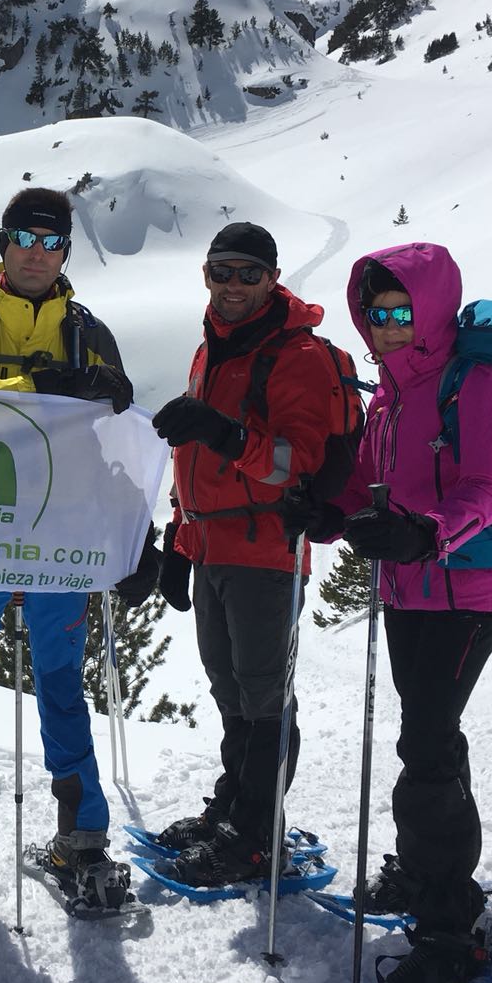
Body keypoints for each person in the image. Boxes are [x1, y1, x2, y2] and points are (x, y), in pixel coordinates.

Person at [0, 187, 151, 912]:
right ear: (3, 244)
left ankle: (84, 839)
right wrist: (45, 385)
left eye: (50, 241)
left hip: (65, 531)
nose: (37, 252)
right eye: (23, 237)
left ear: (66, 251)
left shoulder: (90, 330)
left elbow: (117, 422)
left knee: (62, 685)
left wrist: (138, 532)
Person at [296, 242, 492, 983]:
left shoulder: (476, 382)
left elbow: (490, 486)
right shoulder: (388, 398)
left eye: (400, 313)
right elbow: (364, 482)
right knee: (431, 735)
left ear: (429, 310)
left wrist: (430, 532)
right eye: (375, 315)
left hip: (469, 588)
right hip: (408, 590)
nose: (386, 328)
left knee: (423, 744)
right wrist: (325, 513)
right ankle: (433, 874)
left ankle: (448, 923)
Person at [147, 221, 350, 886]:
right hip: (211, 547)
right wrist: (180, 542)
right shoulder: (213, 348)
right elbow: (191, 460)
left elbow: (300, 461)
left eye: (248, 274)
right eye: (221, 272)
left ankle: (258, 836)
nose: (233, 287)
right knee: (230, 690)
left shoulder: (299, 356)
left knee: (264, 697)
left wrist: (227, 434)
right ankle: (231, 809)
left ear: (272, 278)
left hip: (268, 548)